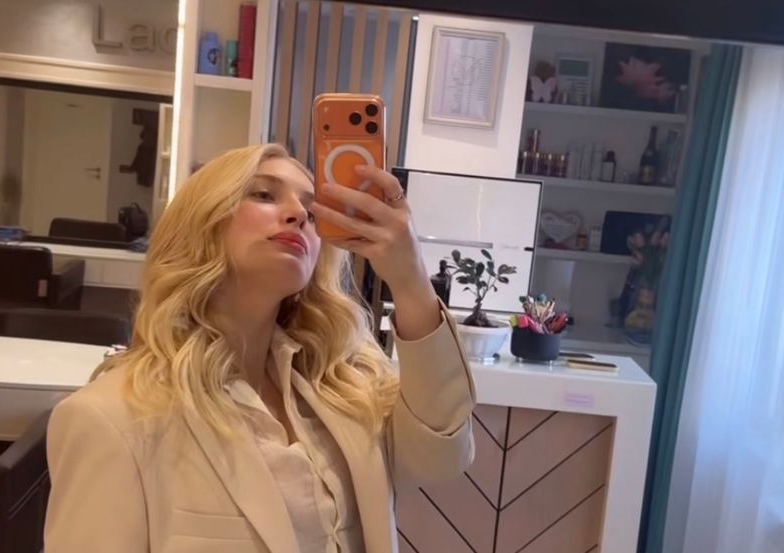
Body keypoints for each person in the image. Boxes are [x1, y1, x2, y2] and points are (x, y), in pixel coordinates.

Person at [44, 144, 475, 553]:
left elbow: (442, 457)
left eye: (312, 211)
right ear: (201, 223)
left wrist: (409, 279)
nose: (299, 214)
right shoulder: (112, 418)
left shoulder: (343, 389)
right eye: (264, 194)